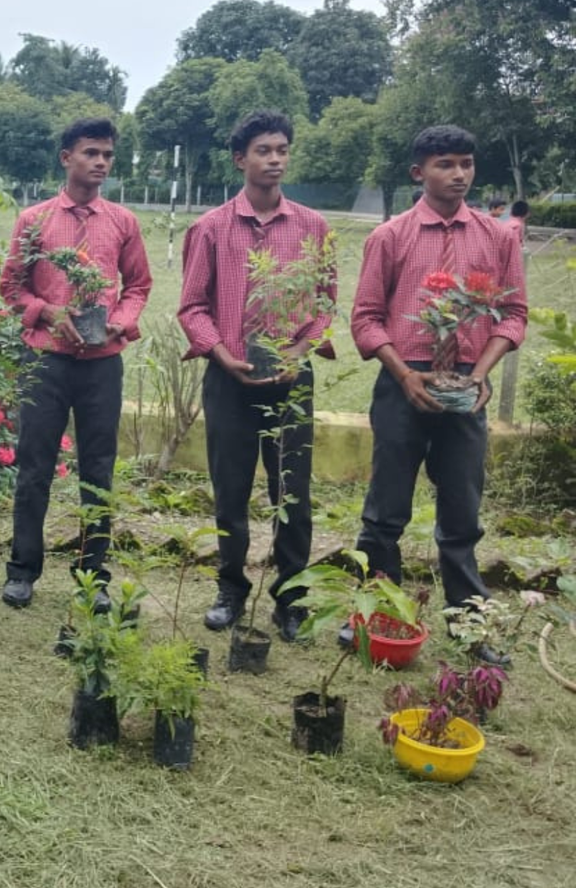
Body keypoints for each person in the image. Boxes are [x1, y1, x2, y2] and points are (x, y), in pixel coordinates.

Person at [349, 125, 529, 662]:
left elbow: (514, 314)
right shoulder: (391, 237)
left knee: (462, 510)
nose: (458, 174)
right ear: (418, 172)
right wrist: (405, 375)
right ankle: (376, 613)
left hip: (467, 386)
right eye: (445, 164)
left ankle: (468, 622)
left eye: (466, 164)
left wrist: (479, 374)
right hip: (404, 381)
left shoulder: (498, 237)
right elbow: (365, 319)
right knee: (385, 510)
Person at [178, 111, 336, 641]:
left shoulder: (314, 227)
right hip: (229, 377)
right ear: (240, 159)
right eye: (263, 150)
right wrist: (219, 352)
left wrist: (297, 350)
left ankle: (290, 597)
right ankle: (230, 588)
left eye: (282, 149)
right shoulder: (211, 227)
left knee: (292, 492)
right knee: (230, 489)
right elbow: (193, 306)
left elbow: (324, 302)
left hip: (292, 380)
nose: (274, 159)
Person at [0, 117, 152, 611]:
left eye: (107, 154)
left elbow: (140, 285)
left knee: (98, 470)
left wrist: (121, 322)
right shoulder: (35, 220)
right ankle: (23, 569)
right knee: (35, 466)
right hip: (46, 359)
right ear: (66, 158)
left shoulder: (123, 222)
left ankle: (94, 576)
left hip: (102, 363)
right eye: (91, 153)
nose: (101, 162)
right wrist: (48, 312)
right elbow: (11, 287)